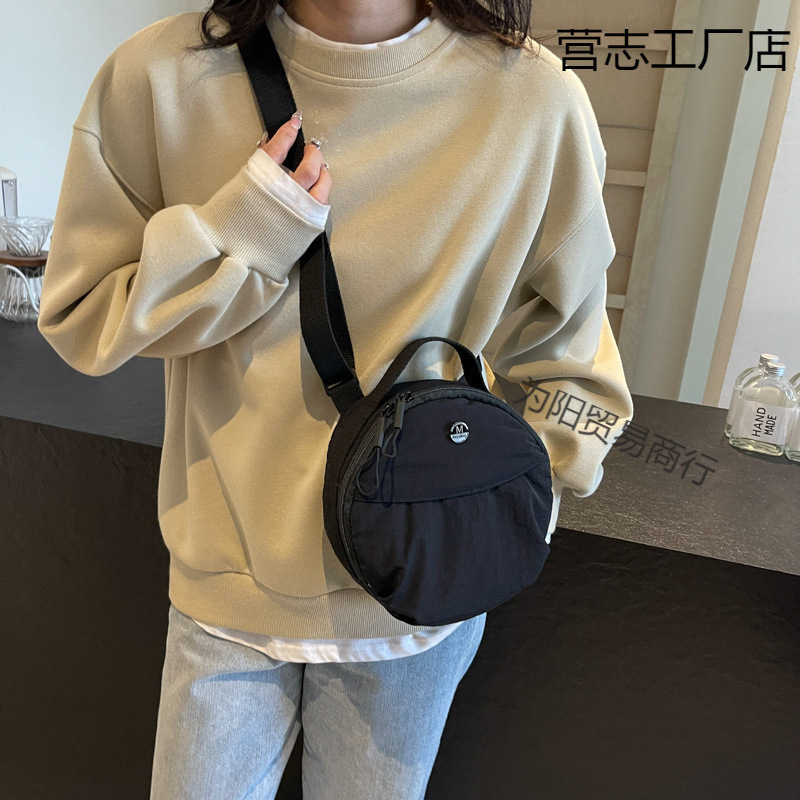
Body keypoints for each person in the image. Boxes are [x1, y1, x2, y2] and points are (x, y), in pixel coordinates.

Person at [37, 0, 634, 797]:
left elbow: (580, 367)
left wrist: (523, 505)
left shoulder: (533, 98)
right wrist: (244, 233)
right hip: (226, 592)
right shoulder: (158, 76)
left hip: (417, 606)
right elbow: (82, 316)